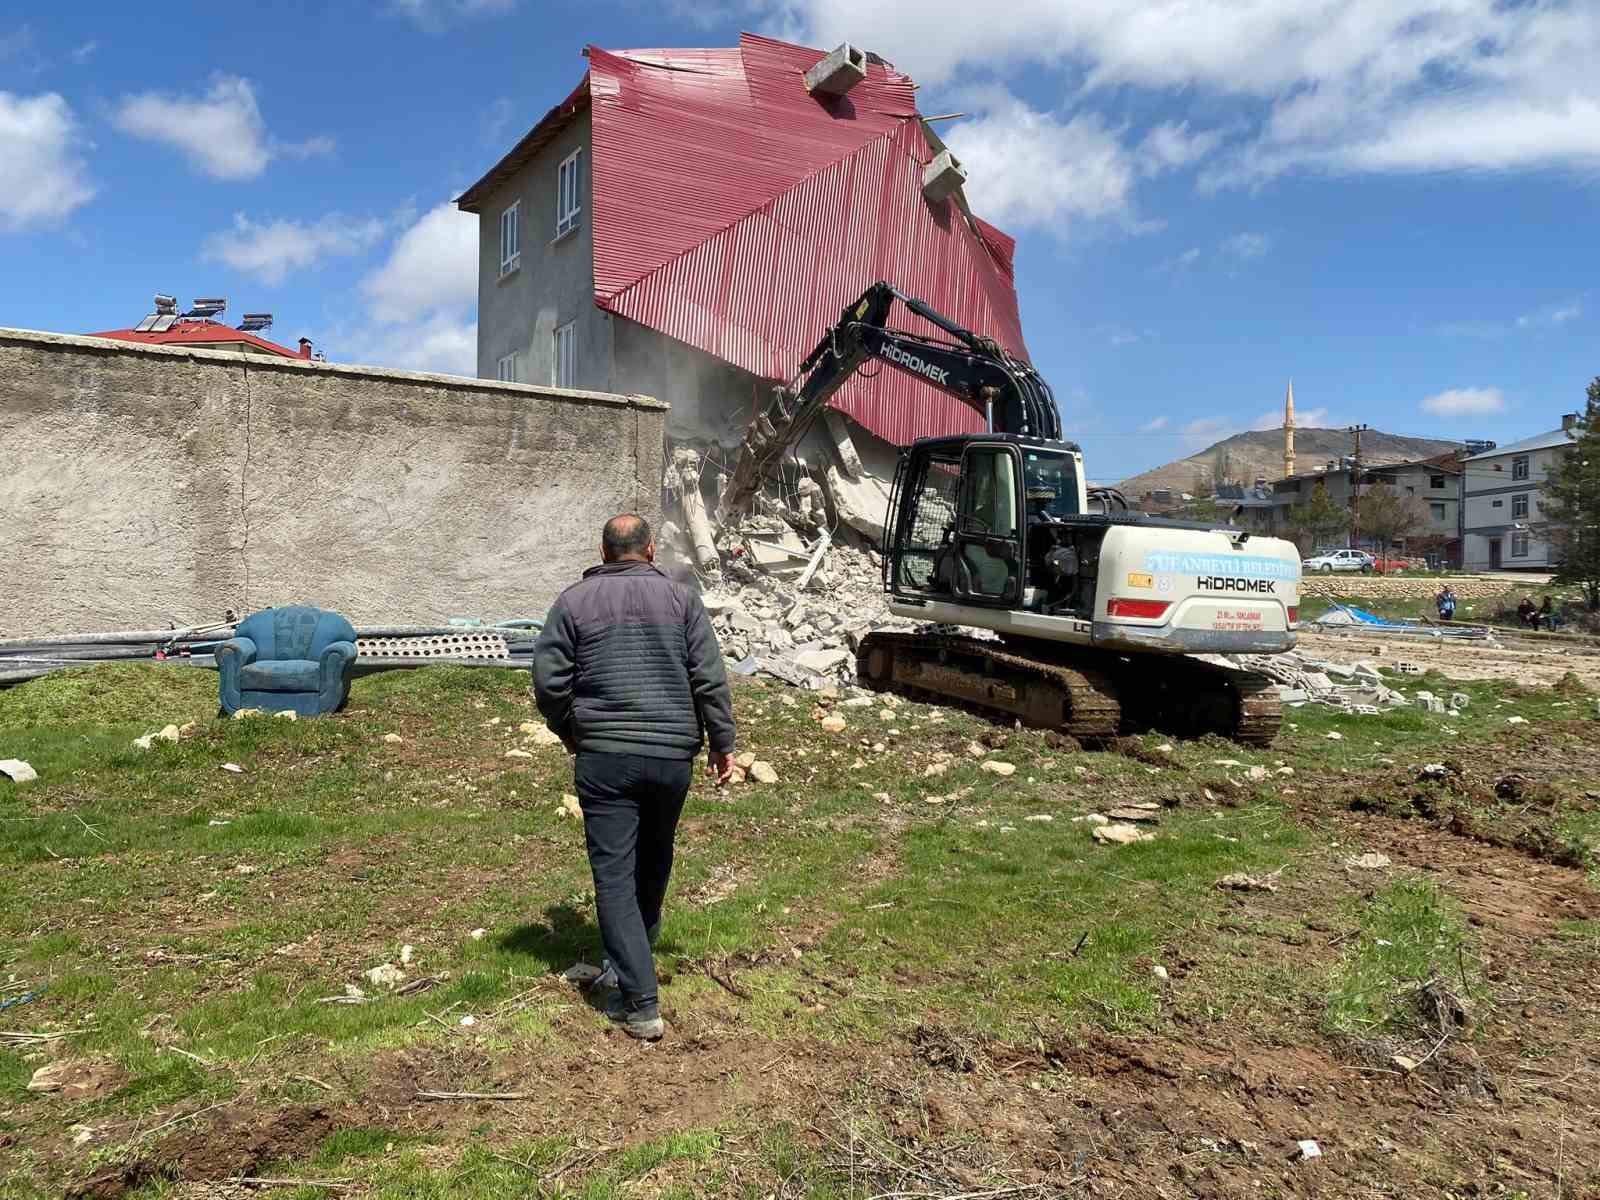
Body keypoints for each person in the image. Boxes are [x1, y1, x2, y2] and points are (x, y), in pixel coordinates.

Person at [533, 514, 736, 1041]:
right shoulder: (682, 600)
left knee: (615, 876)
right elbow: (708, 676)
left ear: (603, 551)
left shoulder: (573, 602)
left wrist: (568, 728)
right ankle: (633, 957)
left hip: (605, 758)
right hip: (671, 758)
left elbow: (549, 681)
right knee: (654, 858)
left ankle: (640, 1000)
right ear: (650, 551)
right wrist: (722, 743)